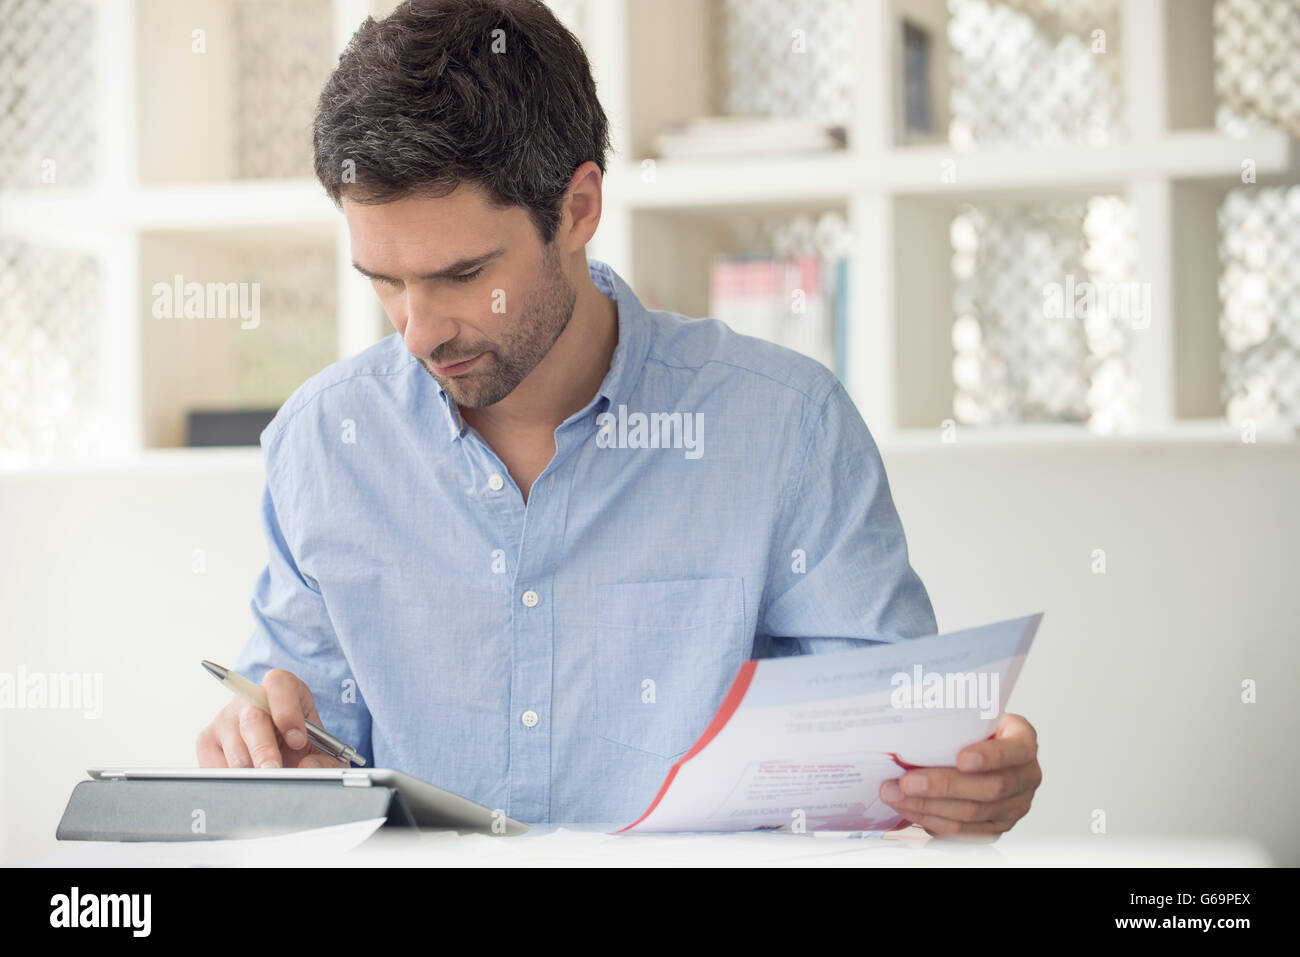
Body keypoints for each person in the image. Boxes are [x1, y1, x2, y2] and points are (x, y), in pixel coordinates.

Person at [196, 0, 1041, 837]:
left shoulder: (785, 430)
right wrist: (267, 758)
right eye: (384, 279)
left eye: (461, 274)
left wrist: (966, 782)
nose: (417, 331)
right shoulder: (324, 445)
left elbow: (894, 758)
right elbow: (309, 755)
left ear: (578, 209)